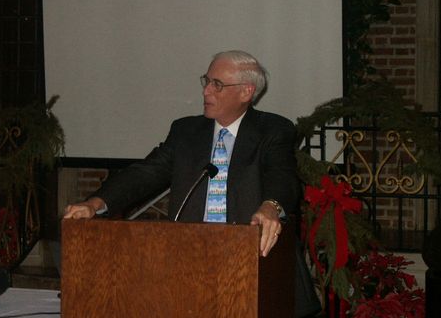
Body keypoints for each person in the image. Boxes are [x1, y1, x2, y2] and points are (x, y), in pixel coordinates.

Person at [63, 50, 300, 257]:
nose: (206, 91)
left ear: (246, 92)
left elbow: (282, 176)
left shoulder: (273, 130)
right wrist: (95, 203)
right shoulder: (186, 131)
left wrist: (271, 206)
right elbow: (145, 173)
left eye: (217, 84)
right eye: (206, 81)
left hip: (250, 252)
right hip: (188, 251)